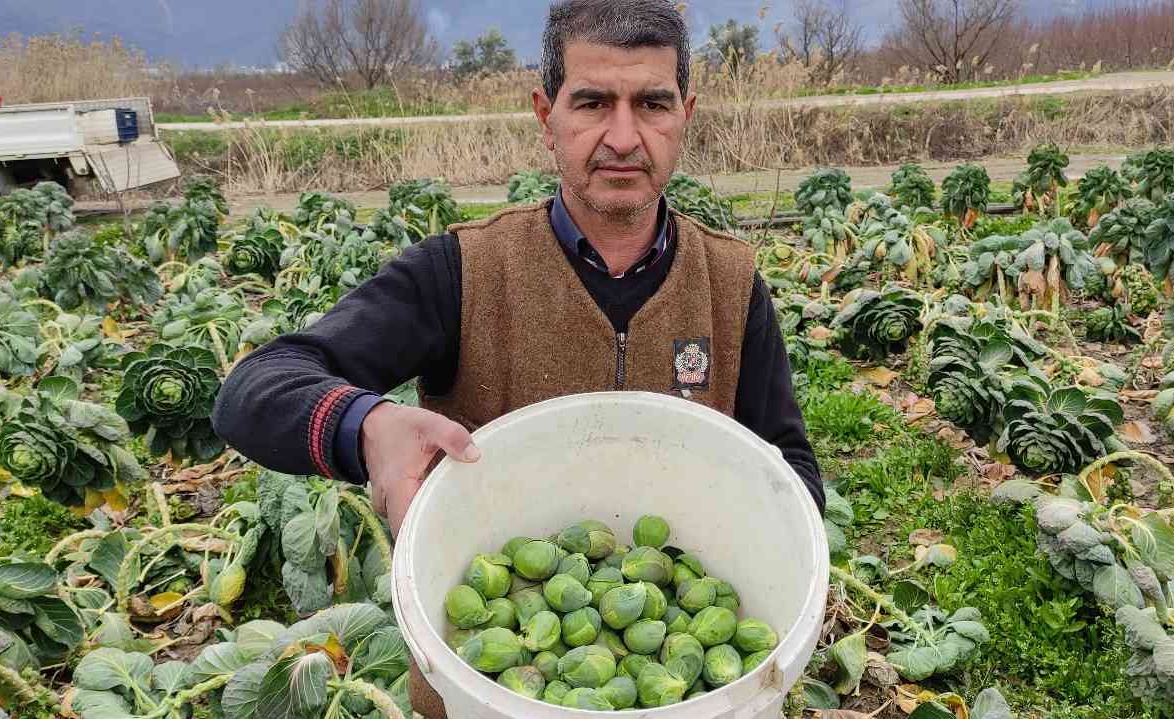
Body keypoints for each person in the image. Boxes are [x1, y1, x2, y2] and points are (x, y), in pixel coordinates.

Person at [211, 0, 822, 714]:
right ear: (546, 115)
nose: (623, 136)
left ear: (684, 114)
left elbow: (790, 469)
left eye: (651, 103)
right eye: (592, 102)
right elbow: (251, 391)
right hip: (483, 695)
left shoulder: (731, 283)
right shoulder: (461, 272)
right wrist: (368, 427)